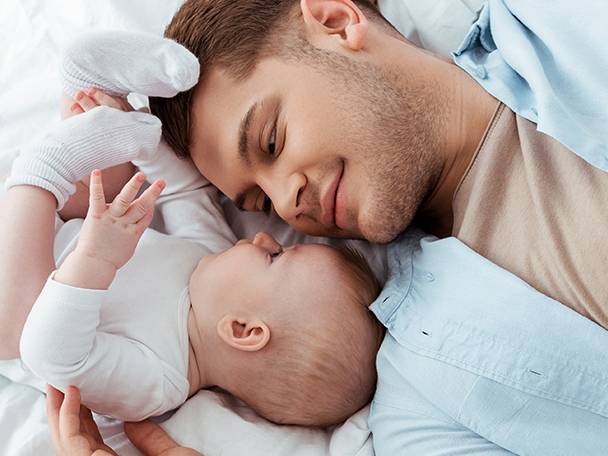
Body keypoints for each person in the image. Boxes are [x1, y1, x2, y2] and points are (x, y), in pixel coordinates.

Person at [7, 95, 382, 426]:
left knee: (16, 323)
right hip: (54, 233)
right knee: (120, 184)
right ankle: (100, 104)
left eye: (275, 256)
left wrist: (95, 258)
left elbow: (51, 356)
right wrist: (141, 137)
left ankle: (42, 168)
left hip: (17, 314)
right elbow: (184, 191)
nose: (264, 237)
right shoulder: (210, 258)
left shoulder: (156, 382)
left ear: (242, 330)